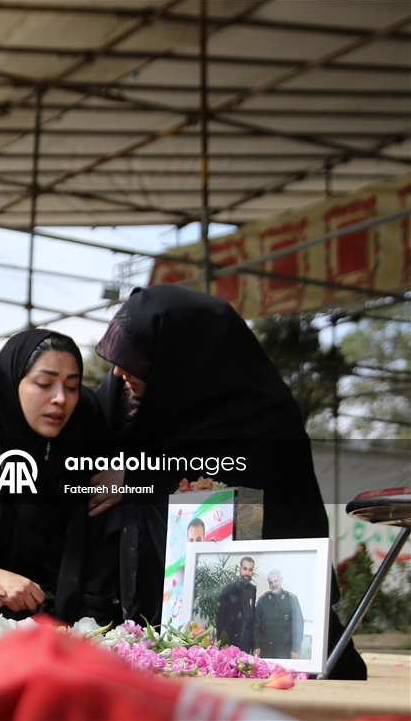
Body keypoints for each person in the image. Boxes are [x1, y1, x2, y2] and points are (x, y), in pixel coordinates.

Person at [89, 284, 365, 679]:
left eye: (137, 363)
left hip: (241, 625)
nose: (119, 372)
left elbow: (243, 499)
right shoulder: (133, 399)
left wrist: (137, 477)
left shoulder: (264, 418)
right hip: (155, 618)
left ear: (180, 360)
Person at [0, 329, 117, 624]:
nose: (60, 399)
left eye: (72, 387)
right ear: (12, 381)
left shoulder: (87, 440)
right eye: (44, 383)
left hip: (71, 618)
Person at [254, 570, 305, 659]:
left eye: (276, 581)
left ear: (281, 580)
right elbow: (256, 625)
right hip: (266, 651)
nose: (273, 585)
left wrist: (295, 649)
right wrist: (256, 646)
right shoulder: (263, 600)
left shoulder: (291, 599)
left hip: (285, 651)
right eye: (271, 582)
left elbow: (298, 626)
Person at [216, 556, 256, 652]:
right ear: (240, 569)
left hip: (246, 643)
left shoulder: (252, 589)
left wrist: (253, 644)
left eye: (250, 570)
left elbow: (251, 617)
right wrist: (222, 641)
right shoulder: (228, 590)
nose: (247, 573)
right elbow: (220, 617)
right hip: (230, 643)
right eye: (245, 569)